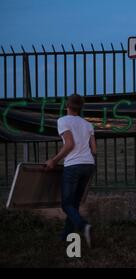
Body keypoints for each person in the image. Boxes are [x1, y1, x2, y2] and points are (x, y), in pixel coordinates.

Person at [45, 94, 96, 247]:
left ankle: (83, 226)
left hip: (73, 166)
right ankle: (66, 236)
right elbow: (94, 149)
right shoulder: (88, 124)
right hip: (88, 165)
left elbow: (69, 145)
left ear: (67, 105)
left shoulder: (63, 121)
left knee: (66, 205)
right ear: (80, 107)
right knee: (73, 204)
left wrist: (53, 160)